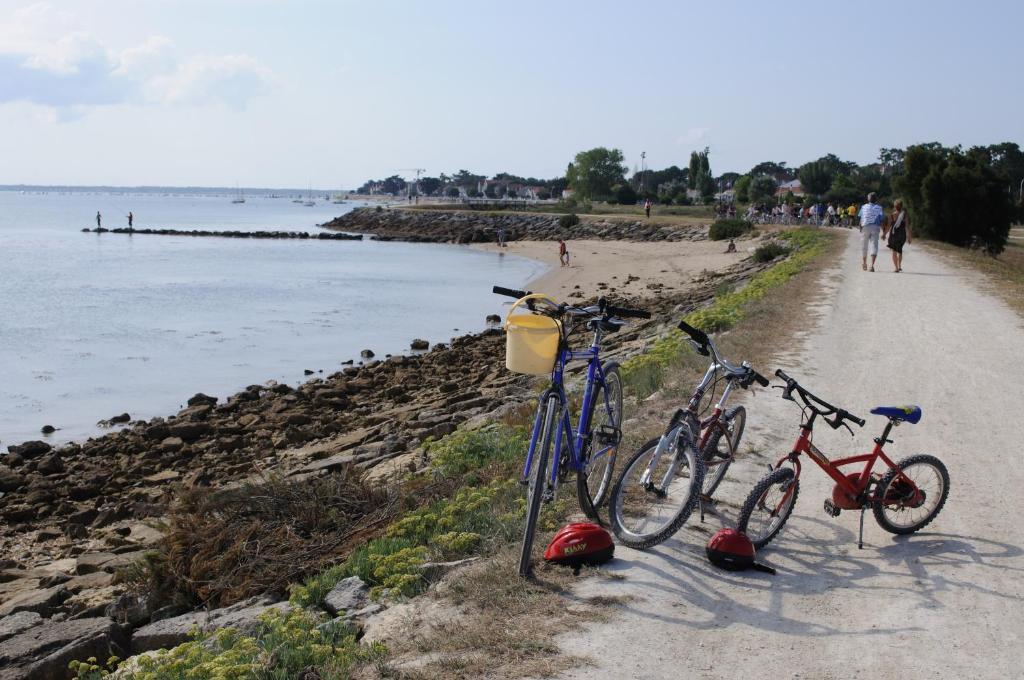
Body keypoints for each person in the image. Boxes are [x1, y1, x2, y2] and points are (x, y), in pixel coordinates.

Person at [858, 192, 884, 271]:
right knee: (874, 246)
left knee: (864, 246)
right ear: (876, 199)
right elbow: (881, 220)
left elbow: (861, 219)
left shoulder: (863, 207)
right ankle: (871, 266)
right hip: (875, 227)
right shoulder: (879, 208)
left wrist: (860, 228)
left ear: (868, 199)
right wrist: (884, 231)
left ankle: (864, 263)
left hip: (865, 226)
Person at [883, 199, 911, 272]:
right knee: (900, 250)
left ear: (895, 207)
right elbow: (907, 226)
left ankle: (896, 268)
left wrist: (884, 234)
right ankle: (899, 266)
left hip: (894, 234)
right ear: (901, 206)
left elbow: (888, 226)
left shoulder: (892, 215)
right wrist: (909, 237)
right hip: (902, 235)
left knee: (894, 251)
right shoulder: (905, 215)